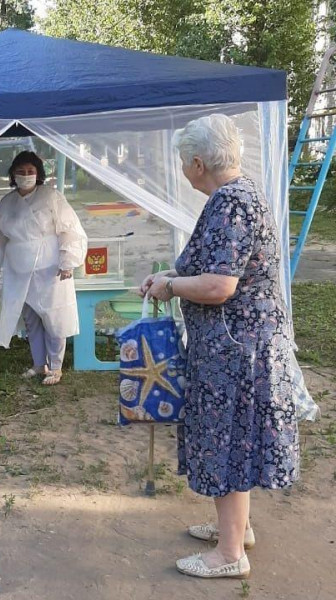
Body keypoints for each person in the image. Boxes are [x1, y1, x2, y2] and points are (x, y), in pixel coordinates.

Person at [141, 114, 299, 579]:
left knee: (226, 441)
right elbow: (218, 272)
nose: (182, 171)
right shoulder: (241, 193)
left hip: (235, 353)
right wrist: (172, 277)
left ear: (197, 162)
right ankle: (236, 528)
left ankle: (230, 554)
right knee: (234, 439)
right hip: (241, 347)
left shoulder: (230, 204)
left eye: (182, 164)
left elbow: (219, 286)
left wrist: (172, 288)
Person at [0, 151, 88, 385]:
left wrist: (68, 261)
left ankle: (56, 366)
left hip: (50, 267)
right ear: (13, 175)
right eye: (21, 172)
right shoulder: (6, 203)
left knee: (54, 316)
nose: (26, 176)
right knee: (31, 318)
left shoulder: (51, 197)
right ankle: (39, 363)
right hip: (19, 269)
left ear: (38, 173)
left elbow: (70, 229)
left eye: (30, 171)